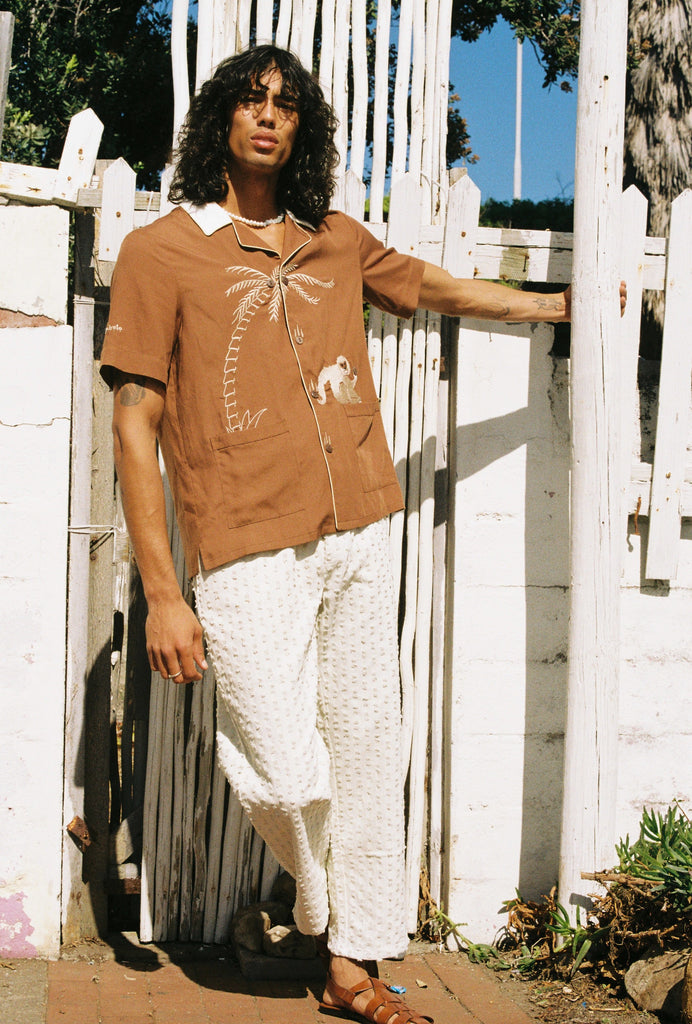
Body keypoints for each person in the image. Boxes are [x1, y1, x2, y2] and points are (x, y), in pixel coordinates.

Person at [101, 44, 623, 1024]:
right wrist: (164, 590)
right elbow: (134, 421)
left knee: (366, 756)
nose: (267, 117)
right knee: (283, 767)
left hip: (357, 530)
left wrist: (550, 305)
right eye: (250, 101)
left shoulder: (331, 238)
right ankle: (313, 901)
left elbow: (424, 286)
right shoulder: (160, 250)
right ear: (218, 117)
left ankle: (352, 966)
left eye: (286, 106)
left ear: (303, 130)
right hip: (246, 542)